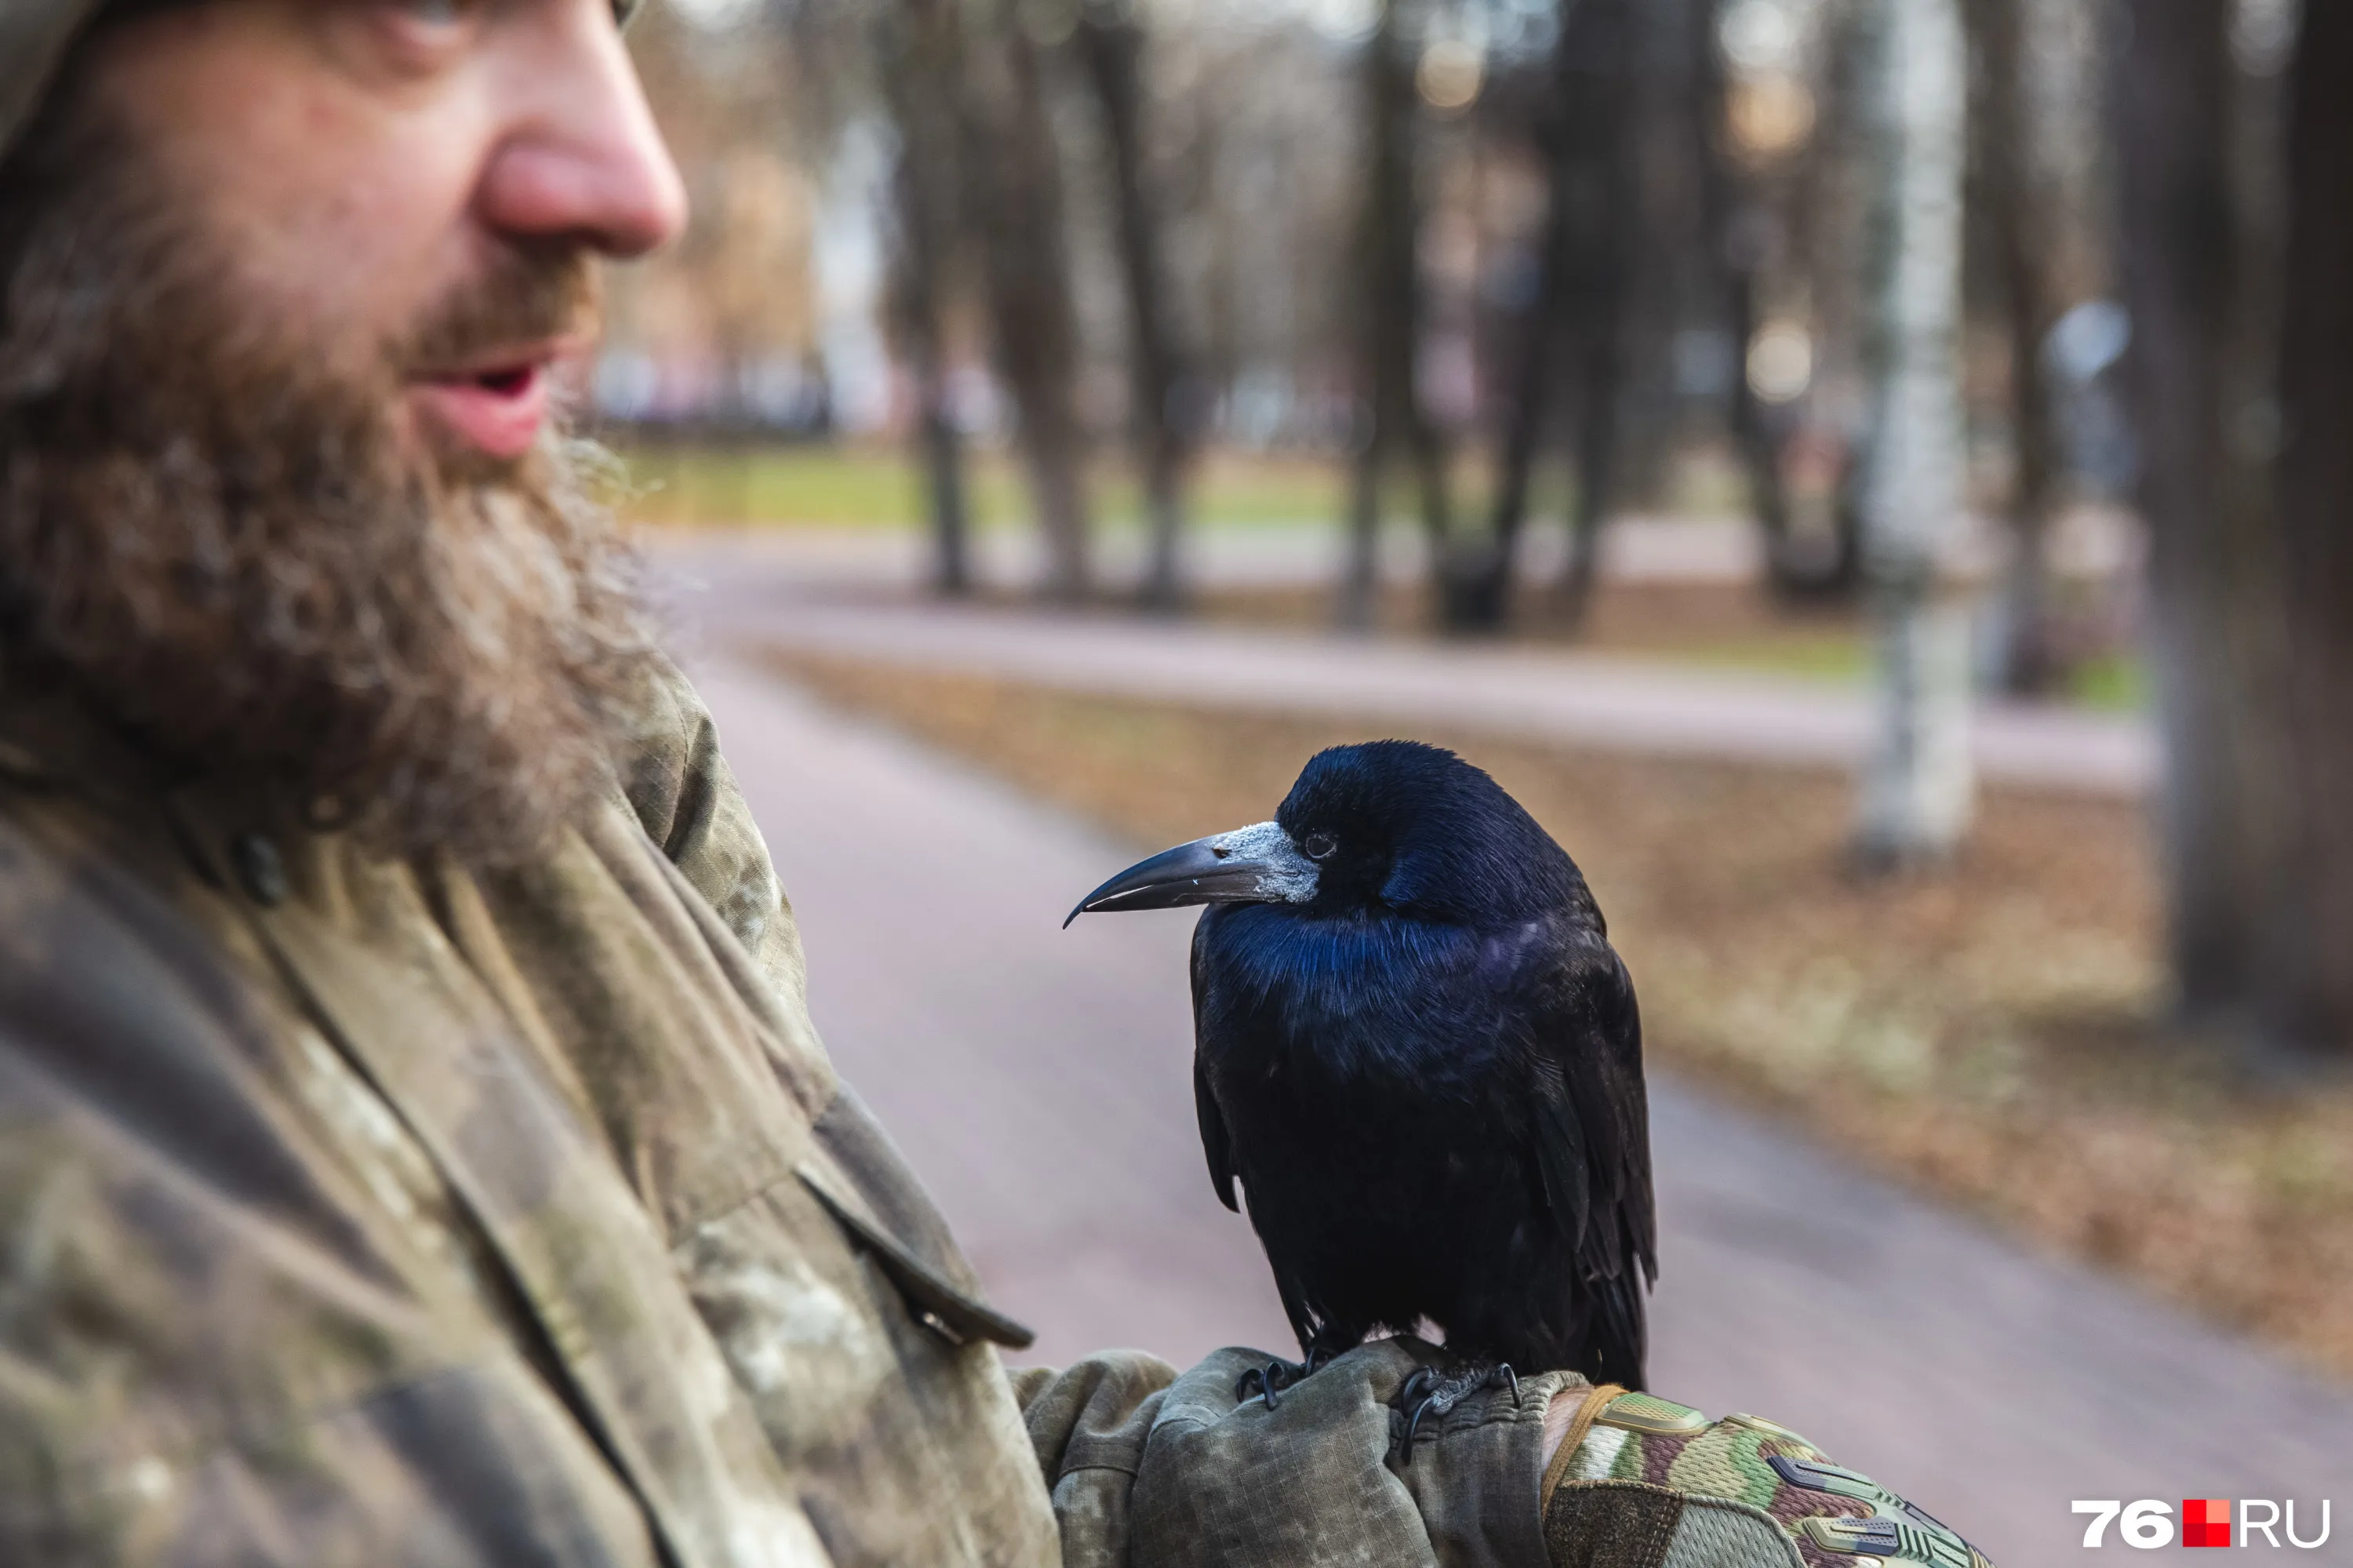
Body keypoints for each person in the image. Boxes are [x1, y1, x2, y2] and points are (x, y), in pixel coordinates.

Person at [0, 3, 1988, 1564]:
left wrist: (1488, 1487)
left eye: (613, 7)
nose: (636, 175)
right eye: (424, 4)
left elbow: (820, 1471)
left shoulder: (566, 766)